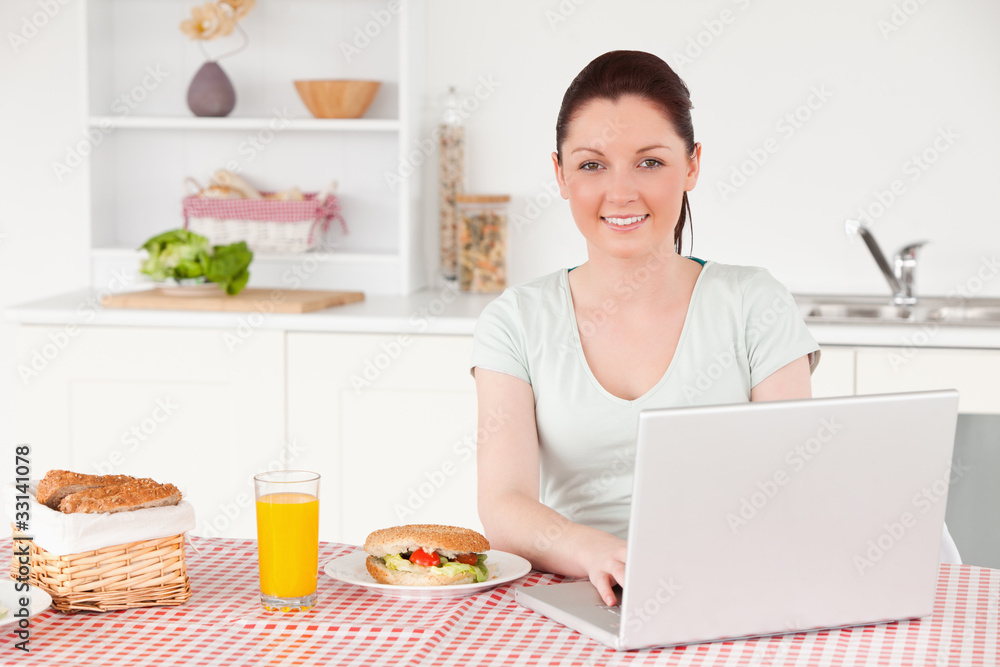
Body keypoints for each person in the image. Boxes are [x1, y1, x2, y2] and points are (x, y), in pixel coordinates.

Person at [469, 50, 822, 606]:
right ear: (560, 174)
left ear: (693, 165)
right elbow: (504, 507)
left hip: (730, 587)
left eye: (650, 162)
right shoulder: (516, 321)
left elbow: (792, 482)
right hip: (580, 596)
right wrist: (597, 554)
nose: (622, 191)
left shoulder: (755, 303)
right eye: (591, 165)